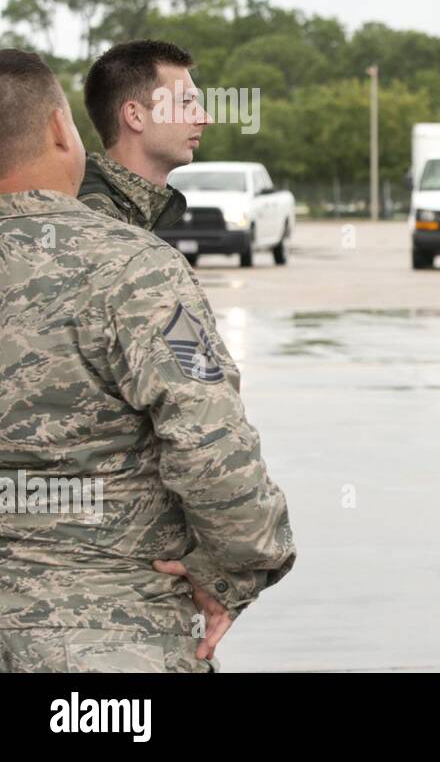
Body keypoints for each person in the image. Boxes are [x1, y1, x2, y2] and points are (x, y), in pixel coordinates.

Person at [0, 48, 295, 672]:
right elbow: (213, 444)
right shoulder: (134, 268)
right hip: (103, 636)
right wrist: (233, 572)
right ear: (59, 129)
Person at [78, 39, 210, 231]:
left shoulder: (129, 211)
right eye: (185, 102)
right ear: (135, 115)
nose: (204, 118)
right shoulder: (96, 222)